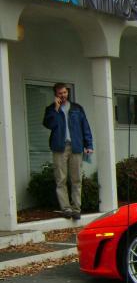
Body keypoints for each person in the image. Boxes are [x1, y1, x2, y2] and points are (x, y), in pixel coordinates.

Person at [42, 83, 93, 220]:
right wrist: (56, 110)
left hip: (76, 146)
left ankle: (76, 209)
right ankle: (66, 209)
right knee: (61, 179)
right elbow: (49, 124)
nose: (63, 95)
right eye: (60, 93)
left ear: (67, 93)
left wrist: (89, 144)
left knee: (76, 179)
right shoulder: (51, 109)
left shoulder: (77, 109)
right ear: (56, 95)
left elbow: (85, 127)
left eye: (64, 92)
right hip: (59, 147)